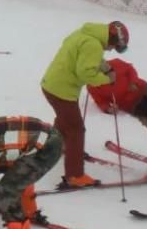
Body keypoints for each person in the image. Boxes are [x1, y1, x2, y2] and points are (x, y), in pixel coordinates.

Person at [40, 21, 129, 189]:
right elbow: (86, 73)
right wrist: (107, 79)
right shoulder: (93, 45)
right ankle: (74, 175)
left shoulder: (85, 34)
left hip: (52, 85)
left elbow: (85, 56)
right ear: (111, 38)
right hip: (62, 90)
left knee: (64, 120)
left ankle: (55, 149)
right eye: (113, 46)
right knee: (76, 129)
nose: (110, 49)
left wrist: (104, 66)